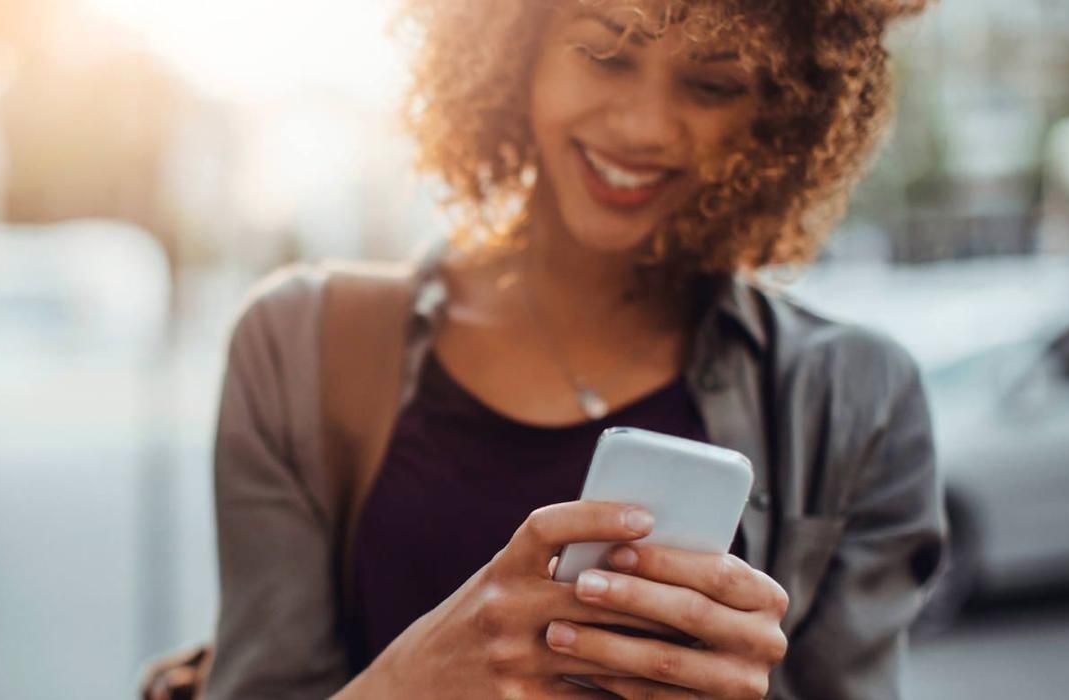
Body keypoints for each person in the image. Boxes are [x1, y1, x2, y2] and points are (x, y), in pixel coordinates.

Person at [206, 0, 944, 698]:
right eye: (605, 53)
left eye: (713, 84)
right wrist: (417, 680)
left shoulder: (859, 399)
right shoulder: (299, 346)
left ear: (781, 112)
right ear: (514, 41)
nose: (645, 126)